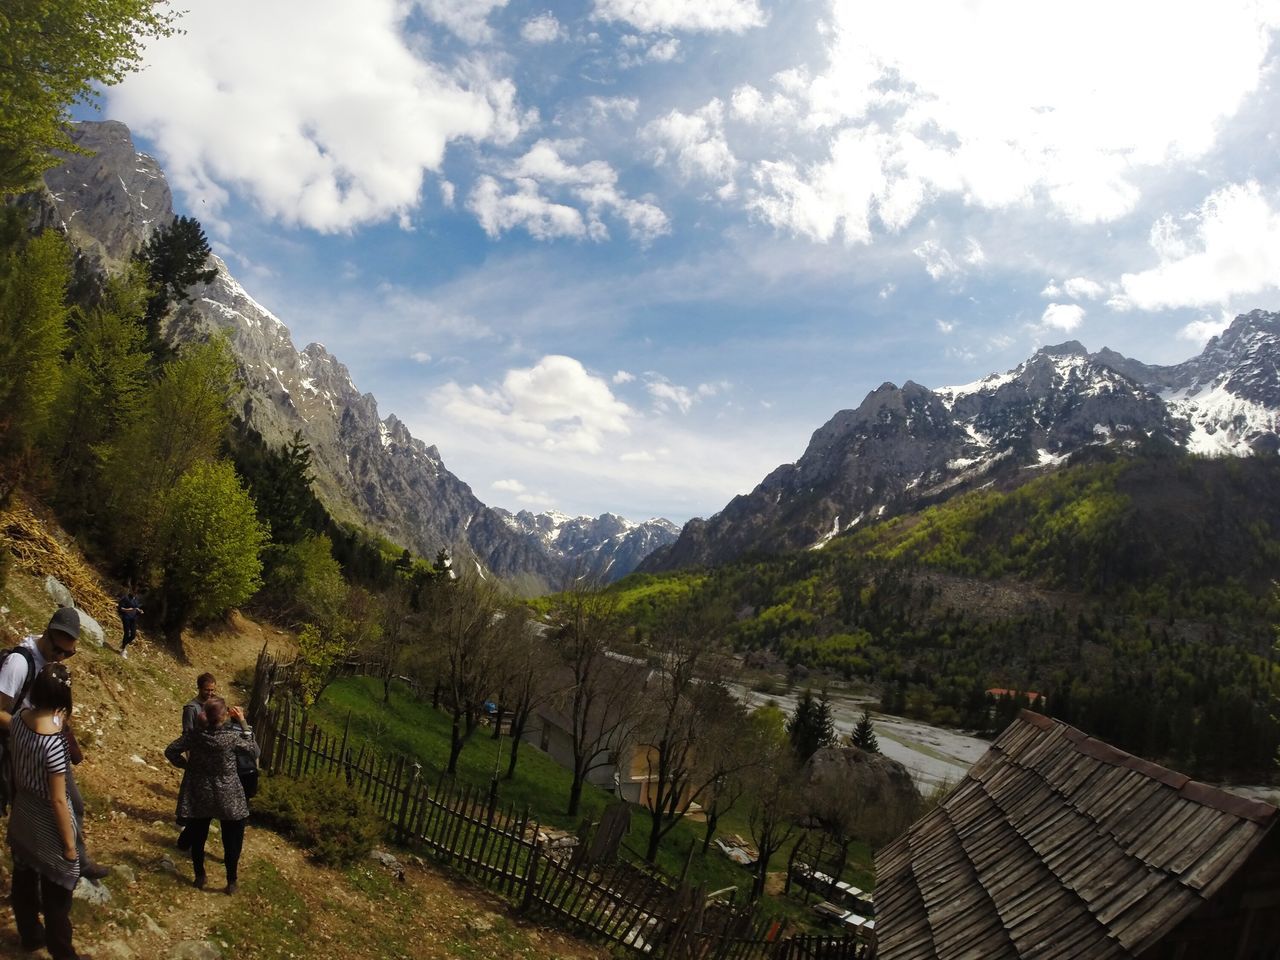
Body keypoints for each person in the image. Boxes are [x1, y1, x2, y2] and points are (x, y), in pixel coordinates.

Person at [0, 608, 109, 881]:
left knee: (73, 804)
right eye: (59, 651)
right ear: (46, 635)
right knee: (29, 808)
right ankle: (30, 872)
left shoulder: (48, 660)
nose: (61, 657)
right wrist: (29, 729)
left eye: (68, 654)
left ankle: (75, 861)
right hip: (22, 748)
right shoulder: (19, 663)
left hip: (48, 745)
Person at [7, 663, 85, 958]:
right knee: (57, 901)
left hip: (22, 814)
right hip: (49, 825)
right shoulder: (53, 742)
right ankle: (62, 952)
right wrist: (68, 846)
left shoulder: (17, 719)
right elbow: (58, 800)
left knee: (23, 882)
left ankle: (29, 936)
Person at [165, 695, 258, 894]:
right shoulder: (231, 738)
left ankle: (200, 876)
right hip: (228, 793)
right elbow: (253, 750)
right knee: (231, 838)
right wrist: (242, 721)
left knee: (198, 837)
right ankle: (231, 881)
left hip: (200, 792)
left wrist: (187, 766)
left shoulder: (194, 736)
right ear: (223, 717)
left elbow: (171, 751)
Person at [176, 673, 218, 851]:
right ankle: (182, 819)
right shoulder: (191, 708)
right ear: (199, 689)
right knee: (189, 787)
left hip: (209, 754)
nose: (210, 693)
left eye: (213, 690)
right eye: (207, 690)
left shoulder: (212, 704)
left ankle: (197, 818)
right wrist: (190, 754)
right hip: (196, 752)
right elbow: (188, 733)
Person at [116, 588, 143, 659]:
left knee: (133, 635)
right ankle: (123, 650)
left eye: (137, 593)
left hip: (133, 619)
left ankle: (123, 644)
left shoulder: (136, 600)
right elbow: (120, 608)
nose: (135, 594)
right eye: (134, 592)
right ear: (131, 591)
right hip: (126, 618)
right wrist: (128, 609)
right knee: (127, 633)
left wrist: (140, 611)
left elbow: (136, 608)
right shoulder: (125, 598)